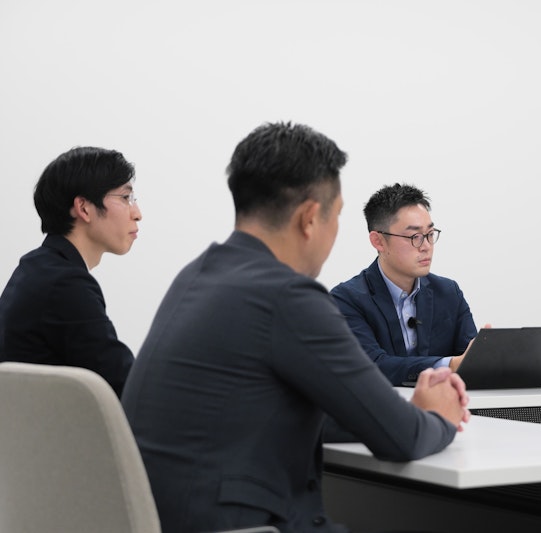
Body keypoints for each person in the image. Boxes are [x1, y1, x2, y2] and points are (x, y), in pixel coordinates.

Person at [121, 122, 469, 533]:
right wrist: (438, 415)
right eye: (336, 216)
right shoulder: (288, 296)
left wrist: (400, 414)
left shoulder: (197, 276)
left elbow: (310, 416)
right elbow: (403, 438)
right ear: (309, 218)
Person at [0, 147, 141, 397]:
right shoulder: (66, 285)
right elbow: (128, 385)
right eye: (125, 197)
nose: (137, 214)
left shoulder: (35, 268)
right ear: (84, 208)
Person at [330, 183, 478, 386]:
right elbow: (372, 365)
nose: (426, 246)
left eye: (430, 234)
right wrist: (449, 365)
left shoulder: (448, 293)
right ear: (378, 241)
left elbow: (471, 362)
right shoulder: (346, 299)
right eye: (415, 237)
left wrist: (484, 353)